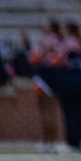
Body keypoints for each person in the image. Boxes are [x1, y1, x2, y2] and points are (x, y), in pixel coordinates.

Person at [25, 21, 62, 152]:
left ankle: (48, 142)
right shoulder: (58, 41)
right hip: (51, 77)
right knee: (49, 110)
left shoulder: (48, 40)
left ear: (51, 27)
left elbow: (35, 58)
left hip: (44, 77)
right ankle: (51, 142)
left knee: (46, 110)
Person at [53, 22, 81, 152]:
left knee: (69, 112)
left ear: (68, 29)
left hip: (68, 78)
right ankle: (77, 142)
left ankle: (71, 143)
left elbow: (56, 60)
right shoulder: (80, 42)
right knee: (78, 113)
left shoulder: (66, 43)